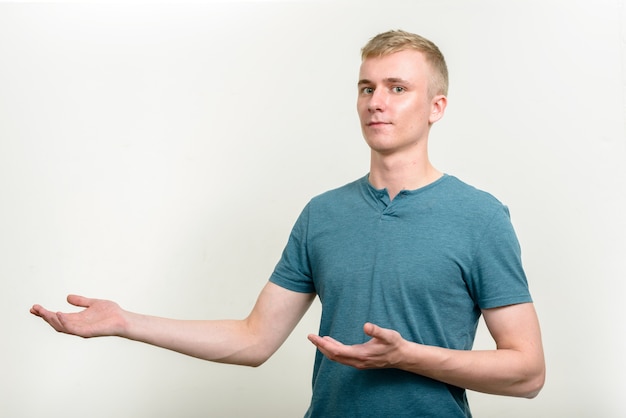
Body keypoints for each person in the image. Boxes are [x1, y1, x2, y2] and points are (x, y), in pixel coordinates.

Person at [31, 29, 545, 417]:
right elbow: (254, 340)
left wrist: (407, 356)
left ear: (437, 107)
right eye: (366, 88)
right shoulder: (322, 214)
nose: (376, 102)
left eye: (396, 87)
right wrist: (126, 322)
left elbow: (527, 373)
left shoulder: (479, 216)